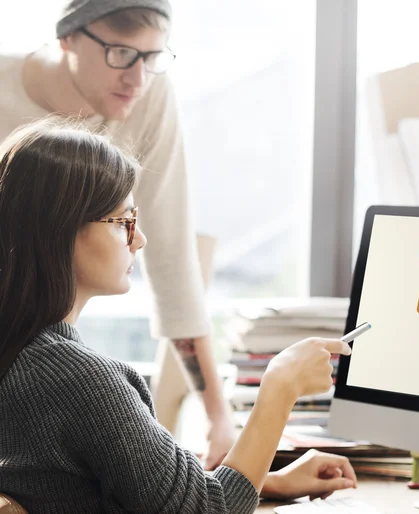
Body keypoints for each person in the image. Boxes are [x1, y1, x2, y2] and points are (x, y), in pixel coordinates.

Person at [0, 118, 357, 513]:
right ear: (60, 231)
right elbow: (208, 510)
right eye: (124, 222)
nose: (140, 239)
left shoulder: (22, 357)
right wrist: (280, 388)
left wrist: (266, 482)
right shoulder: (79, 381)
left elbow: (100, 488)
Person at [0, 0, 236, 468]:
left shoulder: (150, 94)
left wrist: (218, 416)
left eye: (153, 58)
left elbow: (170, 256)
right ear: (67, 37)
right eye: (121, 54)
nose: (138, 78)